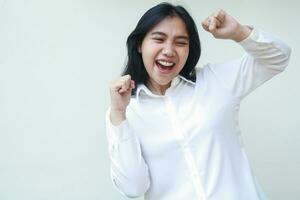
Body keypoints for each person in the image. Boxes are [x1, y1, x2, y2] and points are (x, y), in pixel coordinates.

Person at [105, 2, 291, 200]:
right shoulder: (124, 112)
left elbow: (278, 57)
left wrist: (238, 32)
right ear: (139, 45)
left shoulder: (215, 81)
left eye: (180, 42)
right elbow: (133, 188)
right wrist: (118, 115)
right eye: (159, 39)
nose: (169, 50)